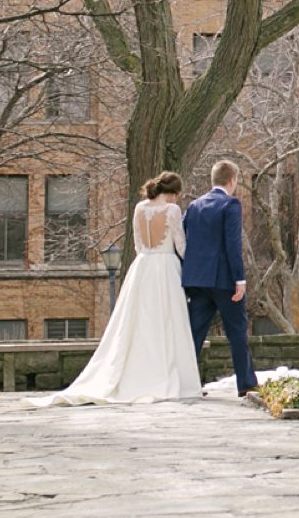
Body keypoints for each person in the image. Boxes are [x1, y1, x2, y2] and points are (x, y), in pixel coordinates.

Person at [33, 172, 199, 406]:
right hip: (165, 267)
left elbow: (139, 244)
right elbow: (181, 246)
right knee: (167, 321)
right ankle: (165, 375)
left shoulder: (140, 208)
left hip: (142, 266)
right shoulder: (171, 210)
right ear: (173, 193)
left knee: (137, 322)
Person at [181, 158, 258, 395]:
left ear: (212, 179)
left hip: (196, 280)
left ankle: (186, 383)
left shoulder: (194, 206)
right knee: (236, 331)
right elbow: (232, 244)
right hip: (224, 281)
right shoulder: (230, 205)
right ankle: (245, 383)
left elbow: (184, 239)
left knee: (193, 333)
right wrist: (240, 279)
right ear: (232, 180)